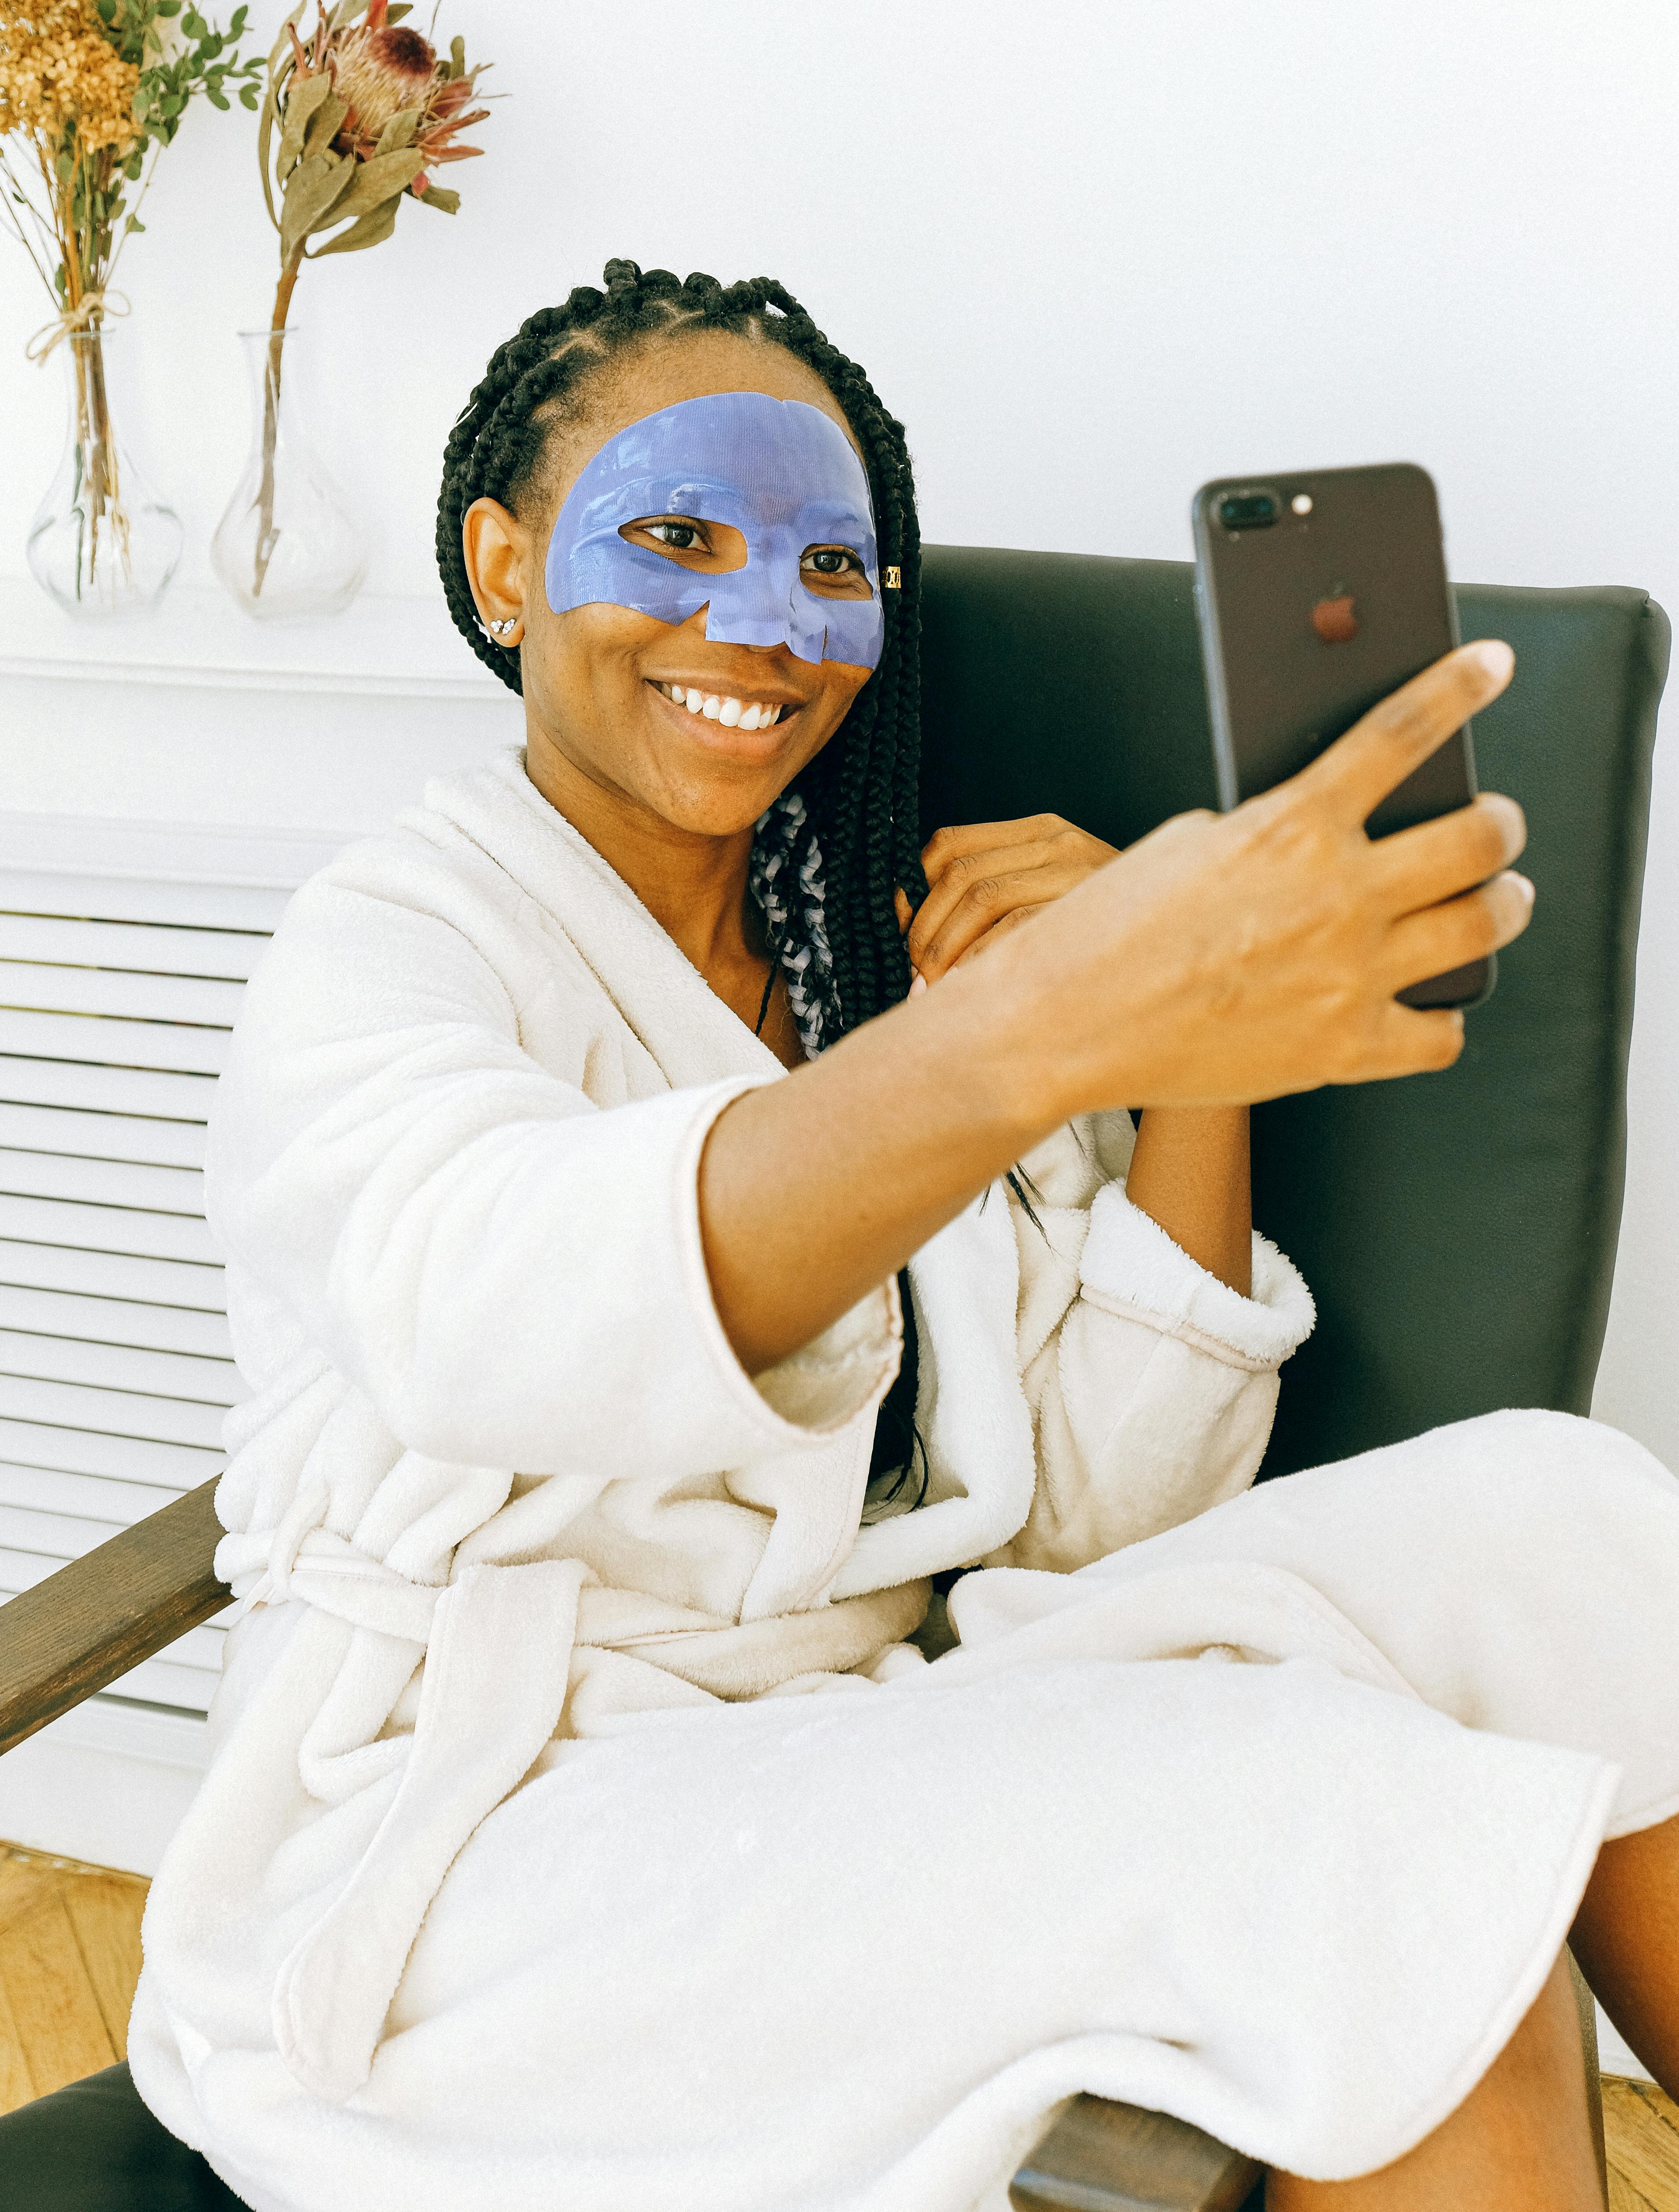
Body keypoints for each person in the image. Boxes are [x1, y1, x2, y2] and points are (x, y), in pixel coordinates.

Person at [129, 261, 1679, 2212]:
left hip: (865, 1738)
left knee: (1576, 1520)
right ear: (503, 564)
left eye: (826, 566)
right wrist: (1042, 1024)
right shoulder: (391, 944)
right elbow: (493, 1308)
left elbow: (1100, 1517)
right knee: (1389, 1860)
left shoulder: (876, 965)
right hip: (490, 1861)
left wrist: (1176, 1051)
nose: (754, 621)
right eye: (671, 534)